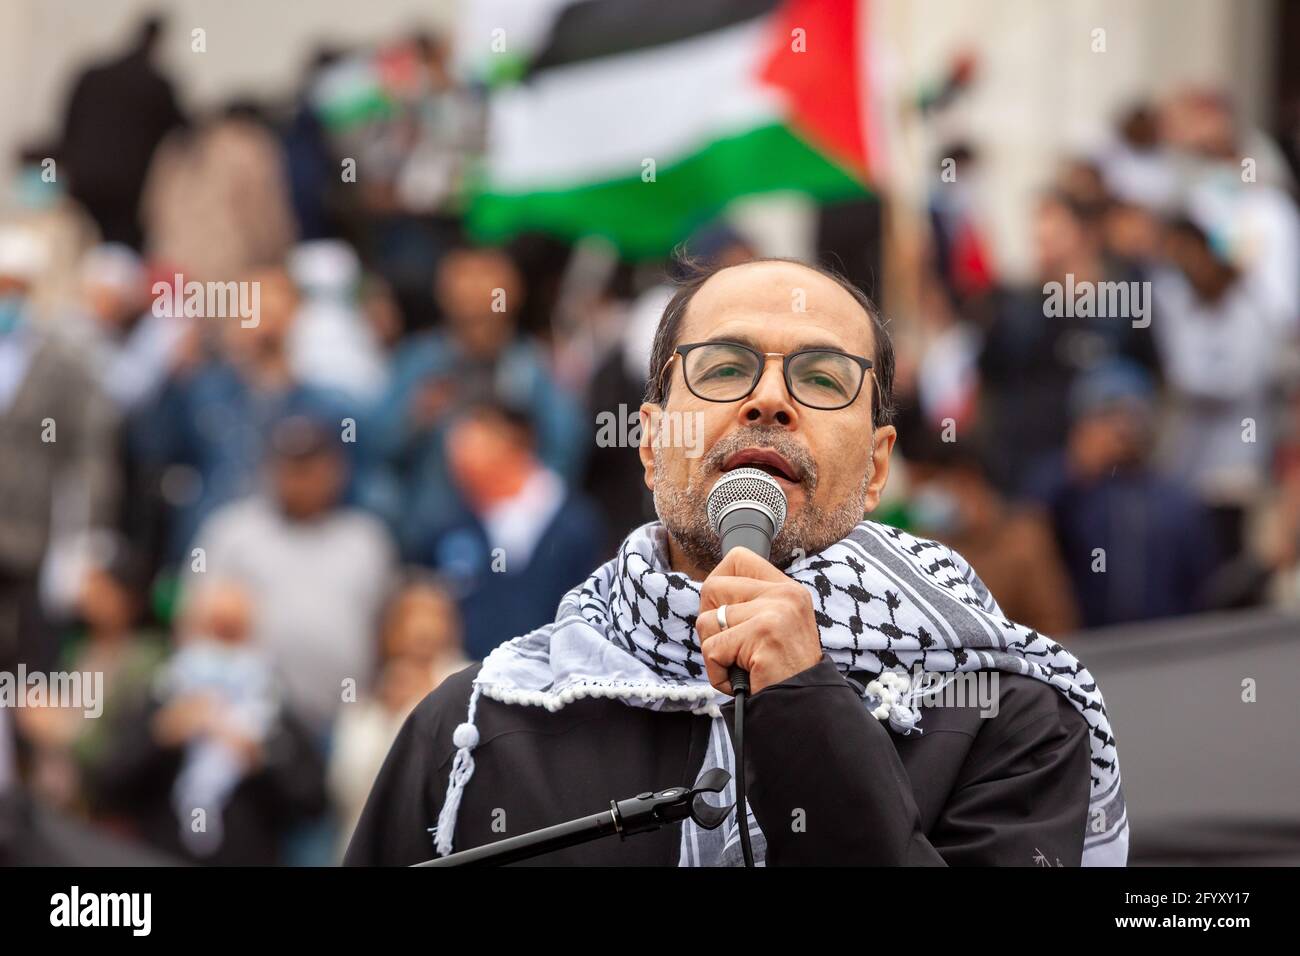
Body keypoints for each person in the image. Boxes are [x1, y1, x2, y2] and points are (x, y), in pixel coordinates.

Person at [346, 258, 1127, 867]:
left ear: (879, 467)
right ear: (651, 443)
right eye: (723, 370)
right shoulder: (480, 727)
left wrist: (805, 708)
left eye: (822, 379)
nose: (768, 401)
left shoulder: (1007, 716)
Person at [182, 415, 396, 735]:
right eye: (291, 467)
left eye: (312, 467)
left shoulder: (366, 539)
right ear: (270, 469)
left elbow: (389, 630)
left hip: (342, 723)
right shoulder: (232, 532)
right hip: (247, 723)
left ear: (336, 470)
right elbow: (193, 623)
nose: (301, 478)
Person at [427, 401, 605, 660]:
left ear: (513, 443)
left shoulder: (574, 525)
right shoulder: (453, 527)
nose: (459, 457)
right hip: (472, 681)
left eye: (475, 443)